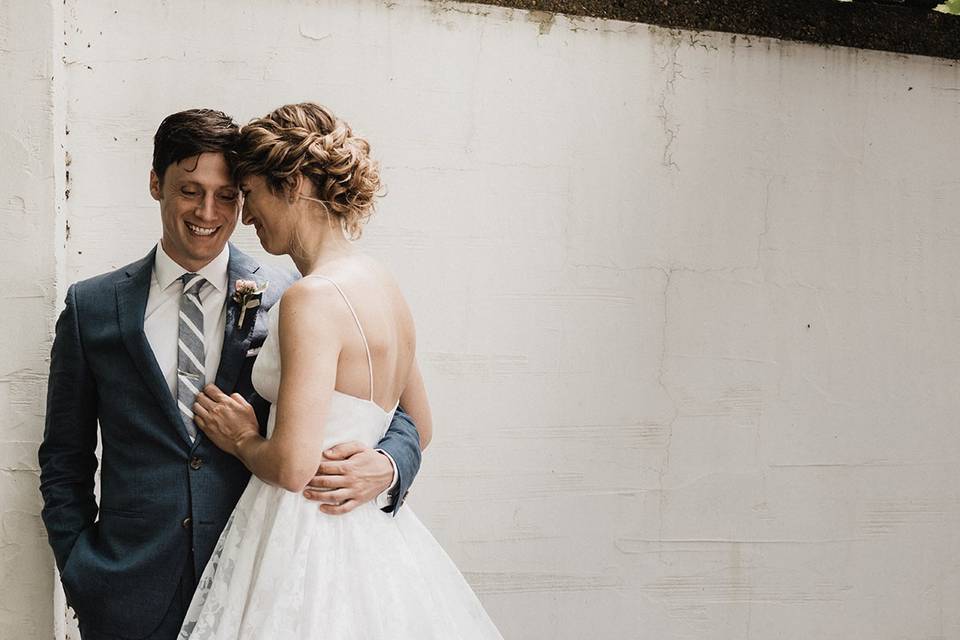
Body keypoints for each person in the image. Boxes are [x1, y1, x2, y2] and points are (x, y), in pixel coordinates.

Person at [38, 108, 423, 640]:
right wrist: (82, 571)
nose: (210, 211)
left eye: (228, 195)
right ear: (156, 184)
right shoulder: (93, 307)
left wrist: (389, 465)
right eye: (190, 190)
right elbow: (64, 460)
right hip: (129, 595)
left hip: (257, 582)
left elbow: (395, 409)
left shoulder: (298, 290)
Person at [177, 102, 503, 639]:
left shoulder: (311, 299)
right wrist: (382, 464)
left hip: (301, 537)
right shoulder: (382, 283)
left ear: (294, 185)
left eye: (252, 194)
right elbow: (420, 424)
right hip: (368, 533)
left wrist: (241, 439)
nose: (248, 215)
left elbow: (291, 466)